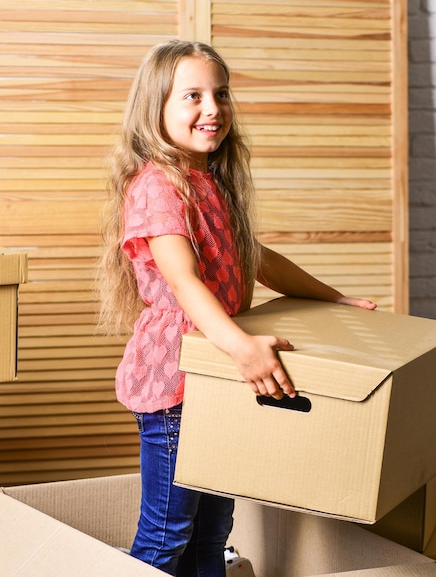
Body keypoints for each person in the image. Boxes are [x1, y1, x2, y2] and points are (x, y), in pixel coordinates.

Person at [97, 39, 377, 576]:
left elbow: (258, 259)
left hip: (217, 377)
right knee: (165, 537)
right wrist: (243, 348)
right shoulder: (156, 186)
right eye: (193, 96)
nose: (213, 109)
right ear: (155, 109)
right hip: (178, 385)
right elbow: (183, 281)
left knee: (211, 536)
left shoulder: (210, 182)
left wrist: (333, 297)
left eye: (221, 94)